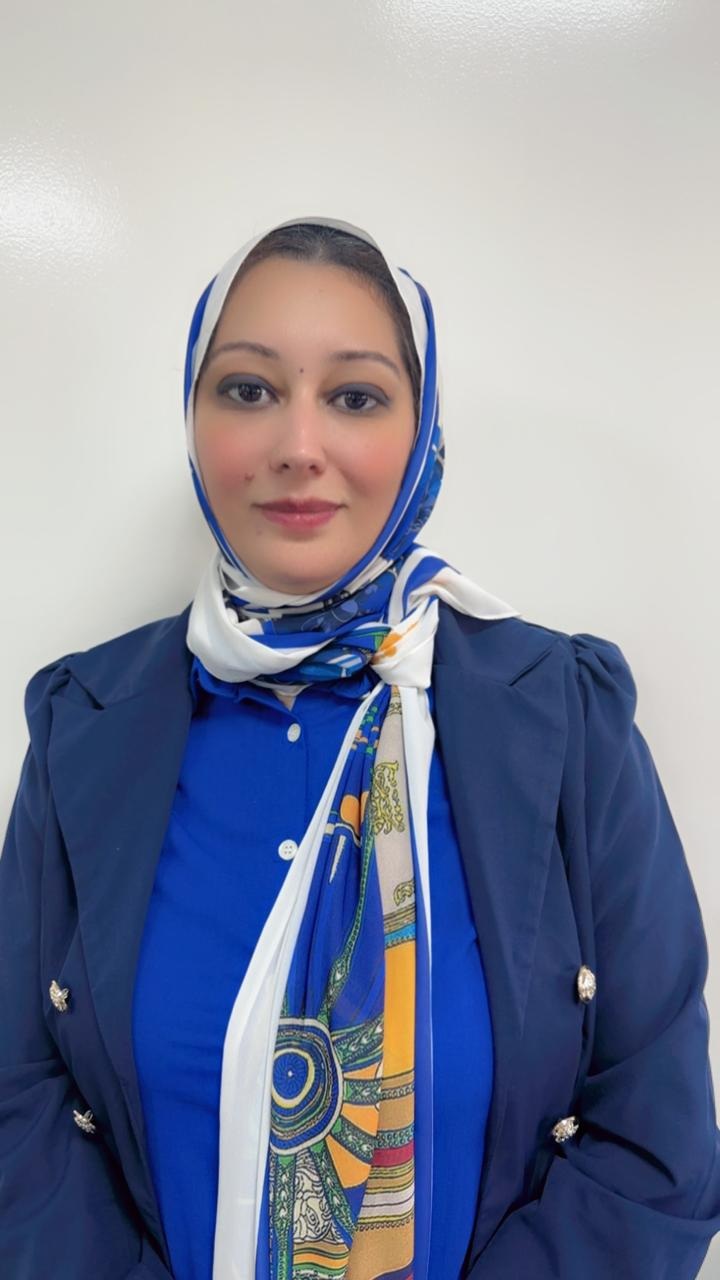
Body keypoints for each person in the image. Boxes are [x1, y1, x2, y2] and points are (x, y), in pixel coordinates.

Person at [1, 214, 719, 1280]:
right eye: (249, 388)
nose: (300, 445)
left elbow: (654, 1141)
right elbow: (16, 1110)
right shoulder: (86, 726)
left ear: (422, 430)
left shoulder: (565, 718)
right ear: (193, 421)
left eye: (355, 396)